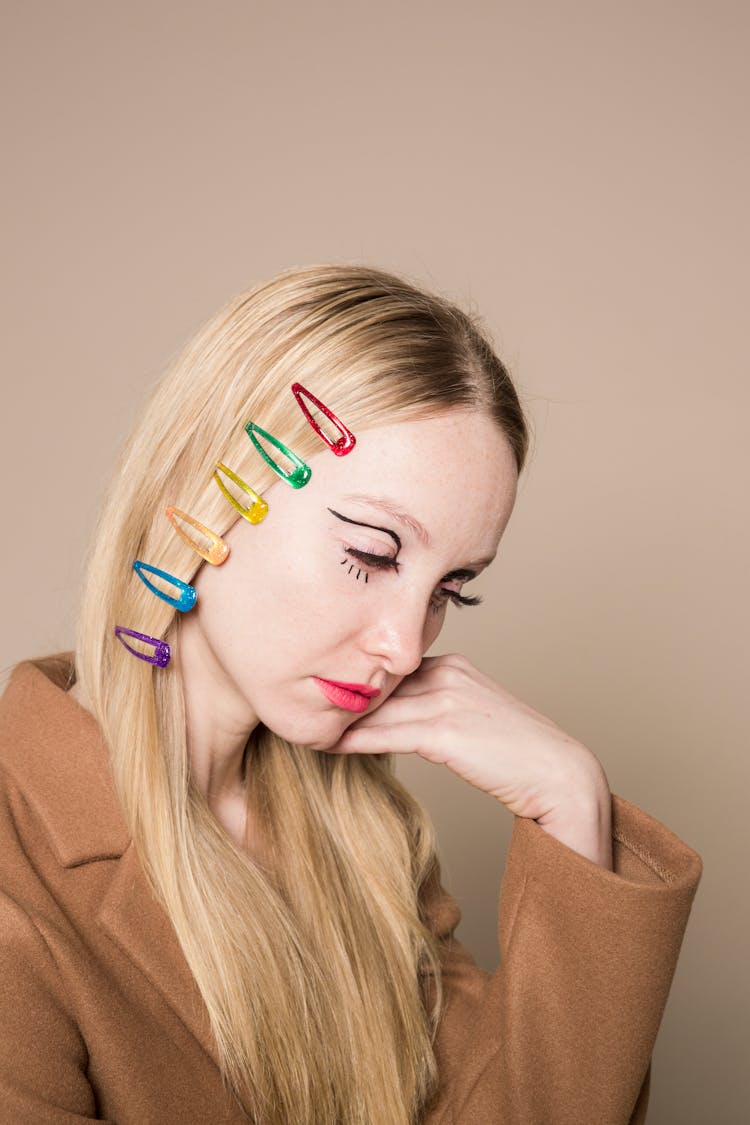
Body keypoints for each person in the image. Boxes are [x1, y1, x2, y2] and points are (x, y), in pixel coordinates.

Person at [0, 264, 702, 1125]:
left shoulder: (371, 841)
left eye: (453, 587)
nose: (406, 646)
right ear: (204, 494)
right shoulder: (18, 869)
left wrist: (571, 803)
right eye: (371, 551)